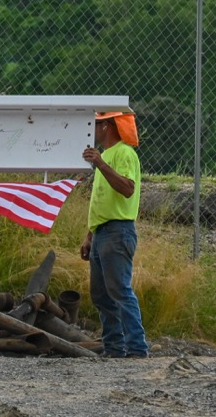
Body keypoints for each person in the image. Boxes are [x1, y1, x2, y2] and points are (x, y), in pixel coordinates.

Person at [80, 110, 148, 358]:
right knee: (100, 294)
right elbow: (102, 202)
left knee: (119, 290)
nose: (92, 129)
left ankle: (137, 348)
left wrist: (100, 164)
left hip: (118, 230)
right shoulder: (107, 155)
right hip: (102, 233)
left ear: (107, 126)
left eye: (96, 124)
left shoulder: (124, 153)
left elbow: (127, 188)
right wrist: (90, 235)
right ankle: (115, 348)